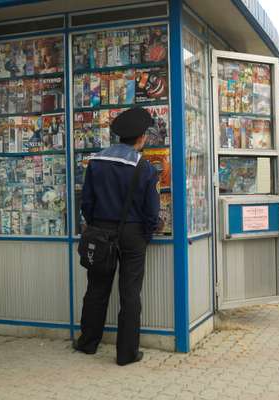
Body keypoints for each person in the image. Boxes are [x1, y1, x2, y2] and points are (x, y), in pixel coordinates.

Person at [73, 107, 160, 366]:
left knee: (96, 289)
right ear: (141, 138)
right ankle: (126, 353)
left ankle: (88, 342)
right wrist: (145, 234)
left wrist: (95, 224)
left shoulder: (96, 162)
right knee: (130, 293)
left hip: (100, 231)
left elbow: (86, 202)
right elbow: (151, 211)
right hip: (132, 235)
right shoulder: (144, 167)